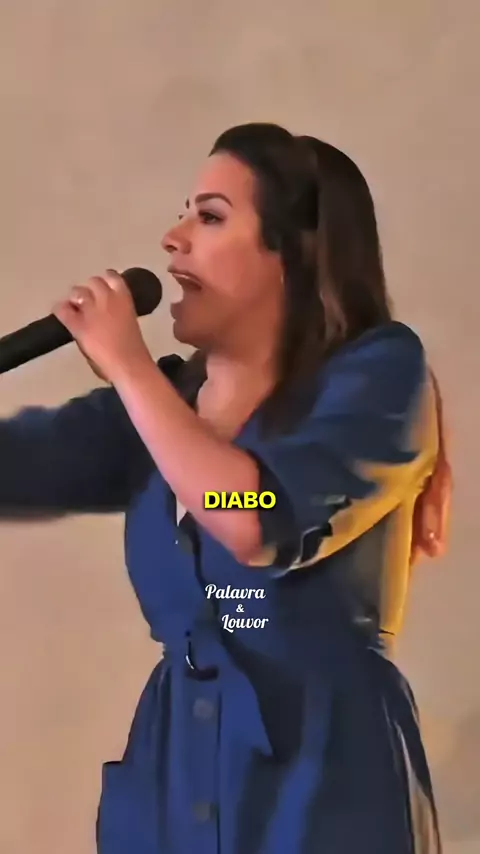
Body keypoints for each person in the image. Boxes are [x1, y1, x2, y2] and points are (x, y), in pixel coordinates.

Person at [0, 122, 451, 853]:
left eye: (209, 217)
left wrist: (130, 368)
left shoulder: (381, 375)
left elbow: (257, 517)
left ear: (293, 252)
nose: (172, 239)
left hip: (322, 779)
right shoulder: (163, 404)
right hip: (174, 776)